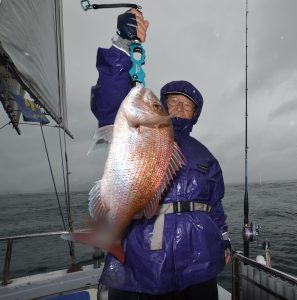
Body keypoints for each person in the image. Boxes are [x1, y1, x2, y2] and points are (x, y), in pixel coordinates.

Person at [90, 9, 231, 300]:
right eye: (172, 101)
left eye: (187, 105)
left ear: (195, 114)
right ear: (163, 106)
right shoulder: (139, 126)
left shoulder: (206, 156)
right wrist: (123, 46)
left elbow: (215, 204)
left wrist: (225, 239)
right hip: (143, 263)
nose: (179, 108)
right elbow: (110, 99)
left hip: (200, 264)